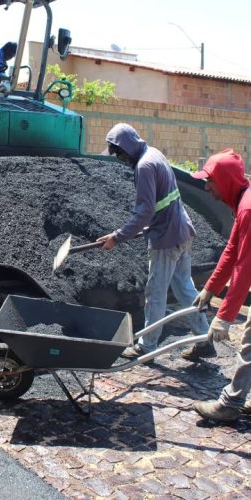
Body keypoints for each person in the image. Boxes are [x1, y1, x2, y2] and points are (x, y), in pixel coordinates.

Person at [97, 123, 210, 359]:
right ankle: (204, 338)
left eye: (119, 153)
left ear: (126, 147)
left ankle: (147, 346)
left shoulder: (145, 166)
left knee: (155, 294)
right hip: (181, 230)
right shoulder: (154, 153)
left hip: (166, 238)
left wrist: (117, 237)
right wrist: (145, 226)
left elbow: (145, 212)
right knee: (186, 289)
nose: (119, 158)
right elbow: (161, 203)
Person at [189, 149, 251, 422]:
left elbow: (244, 267)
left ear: (225, 180)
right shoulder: (243, 200)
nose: (207, 188)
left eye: (210, 181)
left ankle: (230, 403)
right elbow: (232, 250)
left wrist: (224, 317)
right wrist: (210, 288)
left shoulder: (248, 208)